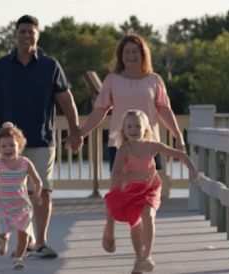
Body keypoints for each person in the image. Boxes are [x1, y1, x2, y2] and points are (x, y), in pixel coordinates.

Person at [66, 33, 185, 253]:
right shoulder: (112, 80)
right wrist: (80, 133)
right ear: (121, 55)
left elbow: (164, 110)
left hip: (148, 145)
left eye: (135, 51)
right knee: (117, 191)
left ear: (143, 54)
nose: (130, 55)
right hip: (119, 143)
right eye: (126, 52)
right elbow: (99, 111)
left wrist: (178, 135)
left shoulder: (154, 80)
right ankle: (109, 229)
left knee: (144, 198)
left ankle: (142, 253)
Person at [0, 15, 83, 259]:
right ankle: (23, 238)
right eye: (22, 31)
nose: (26, 36)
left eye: (31, 32)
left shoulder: (50, 65)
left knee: (42, 189)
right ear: (16, 35)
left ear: (37, 35)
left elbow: (66, 99)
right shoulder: (1, 66)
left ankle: (41, 241)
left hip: (42, 138)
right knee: (10, 190)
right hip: (8, 143)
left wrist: (74, 129)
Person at [104, 110, 198, 273]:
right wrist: (138, 176)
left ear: (146, 129)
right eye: (129, 126)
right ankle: (138, 258)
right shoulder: (123, 150)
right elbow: (115, 176)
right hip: (132, 190)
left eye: (138, 126)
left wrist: (191, 168)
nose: (133, 129)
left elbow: (177, 154)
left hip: (150, 188)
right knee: (135, 225)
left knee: (147, 214)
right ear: (124, 130)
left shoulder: (151, 146)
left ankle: (145, 257)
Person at [0, 122, 42, 270]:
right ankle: (4, 239)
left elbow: (37, 181)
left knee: (23, 233)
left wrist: (37, 194)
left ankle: (18, 258)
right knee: (2, 231)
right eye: (3, 146)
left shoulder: (25, 163)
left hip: (22, 204)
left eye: (12, 145)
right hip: (2, 203)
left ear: (19, 146)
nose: (8, 149)